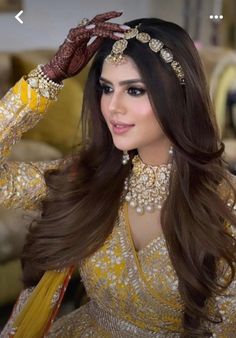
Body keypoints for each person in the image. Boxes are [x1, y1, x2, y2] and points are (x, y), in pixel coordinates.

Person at [1, 10, 236, 338]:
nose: (112, 107)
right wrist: (48, 78)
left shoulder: (225, 203)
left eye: (134, 90)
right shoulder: (88, 177)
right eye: (106, 88)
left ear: (179, 97)